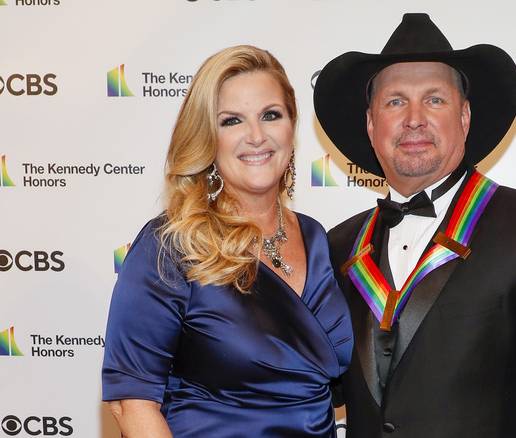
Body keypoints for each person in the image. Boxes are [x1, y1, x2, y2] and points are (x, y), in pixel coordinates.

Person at [313, 13, 516, 437]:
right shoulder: (337, 248)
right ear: (372, 125)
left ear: (464, 117)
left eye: (434, 99)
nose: (414, 118)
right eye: (395, 101)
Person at [102, 45, 353, 438]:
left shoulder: (317, 238)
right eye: (232, 120)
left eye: (271, 115)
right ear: (206, 136)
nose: (256, 136)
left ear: (291, 127)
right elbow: (131, 403)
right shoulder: (169, 246)